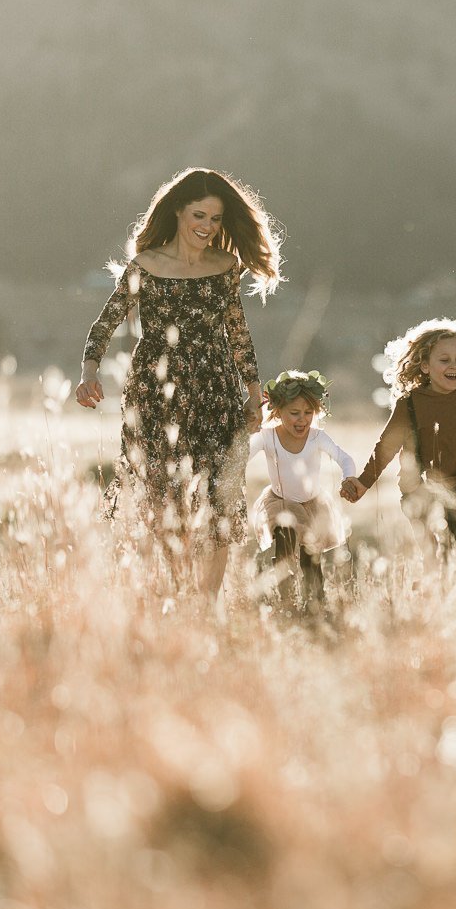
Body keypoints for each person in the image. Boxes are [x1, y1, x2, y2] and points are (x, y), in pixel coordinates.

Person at [76, 167, 282, 600]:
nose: (208, 227)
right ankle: (183, 593)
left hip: (216, 392)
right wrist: (89, 374)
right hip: (157, 395)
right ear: (176, 213)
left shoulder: (225, 266)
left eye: (216, 219)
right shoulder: (147, 266)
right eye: (199, 216)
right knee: (167, 503)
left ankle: (205, 604)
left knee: (219, 501)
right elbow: (105, 323)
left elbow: (238, 333)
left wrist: (253, 394)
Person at [340, 319, 456, 554]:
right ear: (425, 366)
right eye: (444, 360)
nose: (454, 366)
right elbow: (386, 446)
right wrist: (364, 482)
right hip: (417, 487)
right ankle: (430, 579)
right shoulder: (410, 403)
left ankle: (452, 586)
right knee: (431, 551)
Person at [249, 370, 355, 616]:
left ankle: (315, 599)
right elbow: (243, 454)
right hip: (281, 503)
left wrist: (348, 476)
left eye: (308, 413)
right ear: (277, 411)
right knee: (285, 541)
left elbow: (344, 457)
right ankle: (285, 596)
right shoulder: (268, 437)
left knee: (311, 552)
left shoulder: (317, 437)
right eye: (294, 413)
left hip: (312, 504)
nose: (302, 419)